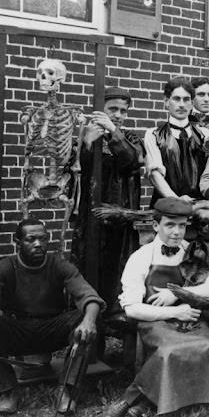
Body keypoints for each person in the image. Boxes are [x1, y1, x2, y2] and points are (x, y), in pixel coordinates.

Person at [102, 198, 209, 417]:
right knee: (170, 350)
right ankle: (132, 401)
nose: (177, 232)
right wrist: (172, 313)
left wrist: (178, 294)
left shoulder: (193, 253)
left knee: (206, 346)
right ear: (155, 226)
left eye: (182, 226)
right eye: (170, 225)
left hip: (189, 318)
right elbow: (131, 307)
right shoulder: (141, 257)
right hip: (155, 321)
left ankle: (142, 403)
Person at [0, 218, 105, 415]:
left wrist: (89, 321)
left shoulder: (59, 265)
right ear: (18, 242)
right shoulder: (5, 267)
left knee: (91, 316)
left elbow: (88, 295)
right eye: (31, 239)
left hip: (51, 329)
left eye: (43, 239)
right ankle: (8, 390)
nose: (38, 244)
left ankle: (65, 389)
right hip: (17, 330)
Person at [71, 86, 145, 312]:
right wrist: (87, 144)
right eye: (113, 109)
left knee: (118, 268)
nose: (119, 115)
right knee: (88, 265)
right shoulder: (85, 135)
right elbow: (75, 171)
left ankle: (114, 315)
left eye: (124, 111)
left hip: (120, 215)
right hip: (91, 216)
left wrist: (112, 130)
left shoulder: (130, 138)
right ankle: (87, 315)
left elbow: (132, 160)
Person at [144, 77, 209, 204]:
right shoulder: (153, 135)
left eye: (186, 99)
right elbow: (155, 175)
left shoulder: (205, 135)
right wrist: (176, 200)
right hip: (166, 207)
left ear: (192, 103)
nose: (181, 104)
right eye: (176, 99)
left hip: (198, 207)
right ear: (166, 102)